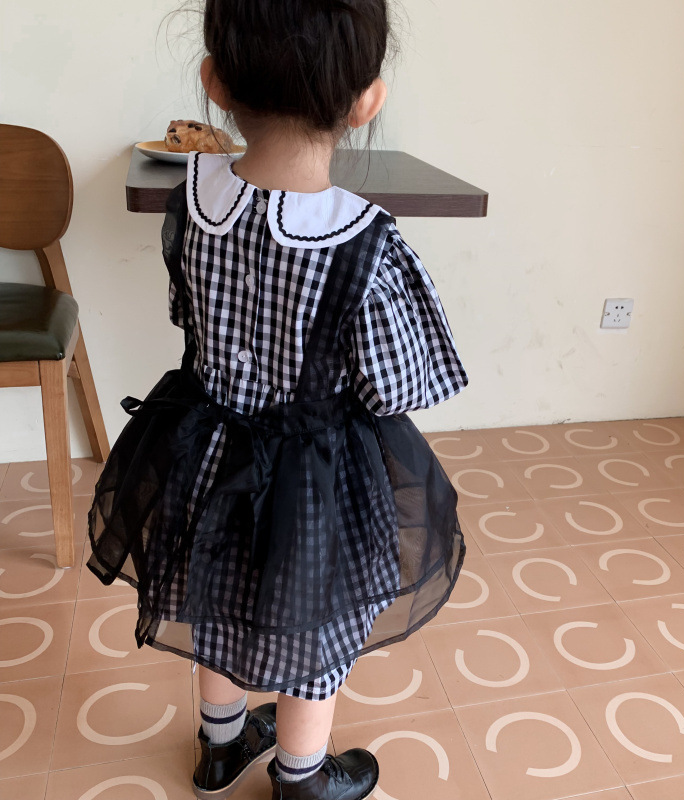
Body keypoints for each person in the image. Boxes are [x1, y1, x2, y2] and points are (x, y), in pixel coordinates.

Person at [86, 1, 468, 798]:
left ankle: (220, 749)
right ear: (367, 100)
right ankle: (301, 778)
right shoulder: (364, 241)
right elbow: (396, 388)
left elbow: (189, 316)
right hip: (313, 478)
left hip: (205, 450)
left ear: (215, 83)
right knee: (314, 628)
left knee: (216, 598)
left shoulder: (195, 201)